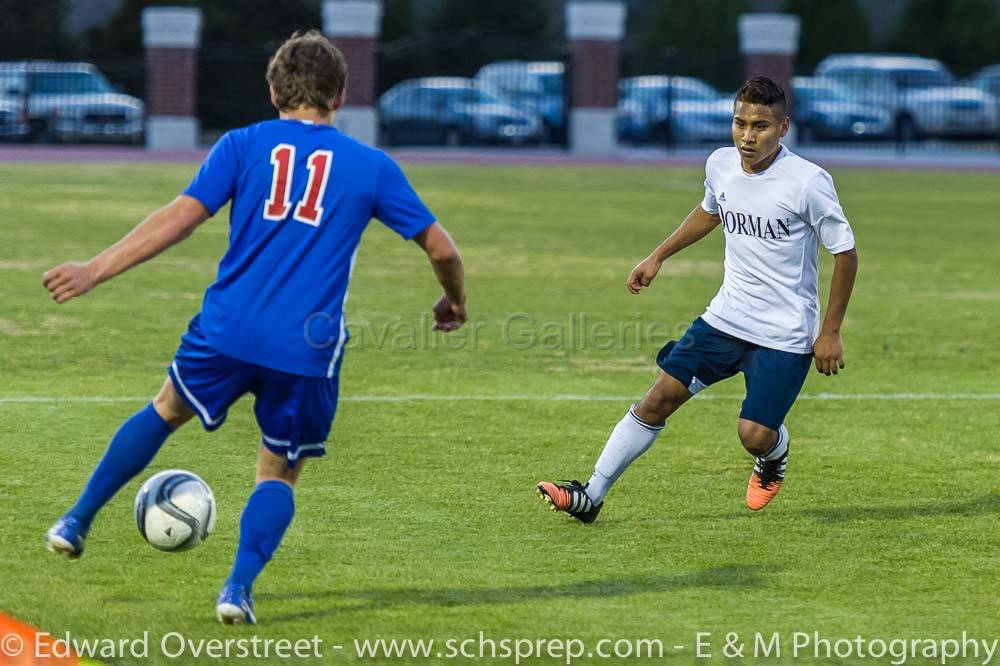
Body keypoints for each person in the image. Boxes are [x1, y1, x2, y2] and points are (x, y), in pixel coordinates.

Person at [42, 30, 467, 625]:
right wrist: (453, 302)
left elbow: (179, 219)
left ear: (273, 91)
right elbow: (443, 249)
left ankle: (75, 520)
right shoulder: (371, 166)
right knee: (279, 469)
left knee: (165, 409)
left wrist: (95, 269)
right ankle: (236, 590)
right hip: (306, 347)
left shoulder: (242, 145)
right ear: (340, 96)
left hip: (226, 330)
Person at [538, 76, 858, 522]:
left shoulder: (808, 182)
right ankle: (592, 494)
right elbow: (711, 210)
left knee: (753, 434)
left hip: (784, 334)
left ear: (783, 128)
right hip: (725, 319)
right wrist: (658, 256)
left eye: (761, 126)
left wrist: (831, 332)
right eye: (740, 123)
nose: (748, 136)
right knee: (657, 399)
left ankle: (774, 453)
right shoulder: (720, 164)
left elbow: (845, 253)